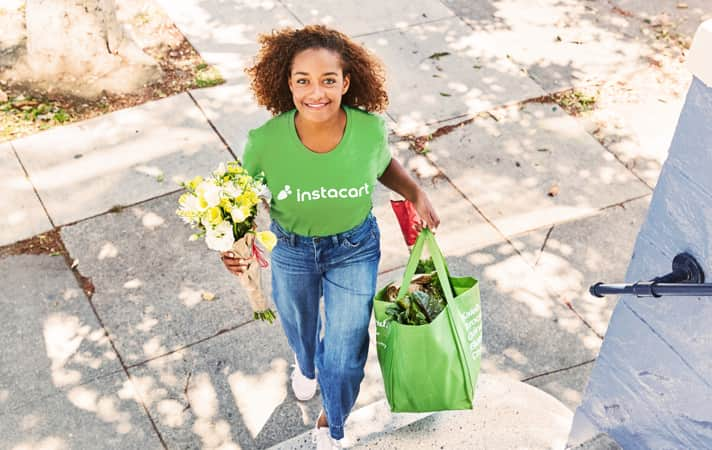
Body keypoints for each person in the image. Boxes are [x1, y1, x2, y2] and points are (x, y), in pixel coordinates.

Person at [220, 25, 439, 449]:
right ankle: (304, 366)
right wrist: (235, 247)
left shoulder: (370, 130)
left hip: (354, 250)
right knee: (300, 328)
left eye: (328, 80)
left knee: (344, 350)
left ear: (346, 82)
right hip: (291, 251)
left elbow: (383, 166)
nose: (315, 92)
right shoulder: (265, 142)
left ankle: (331, 425)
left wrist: (415, 192)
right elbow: (239, 202)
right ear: (287, 83)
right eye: (302, 80)